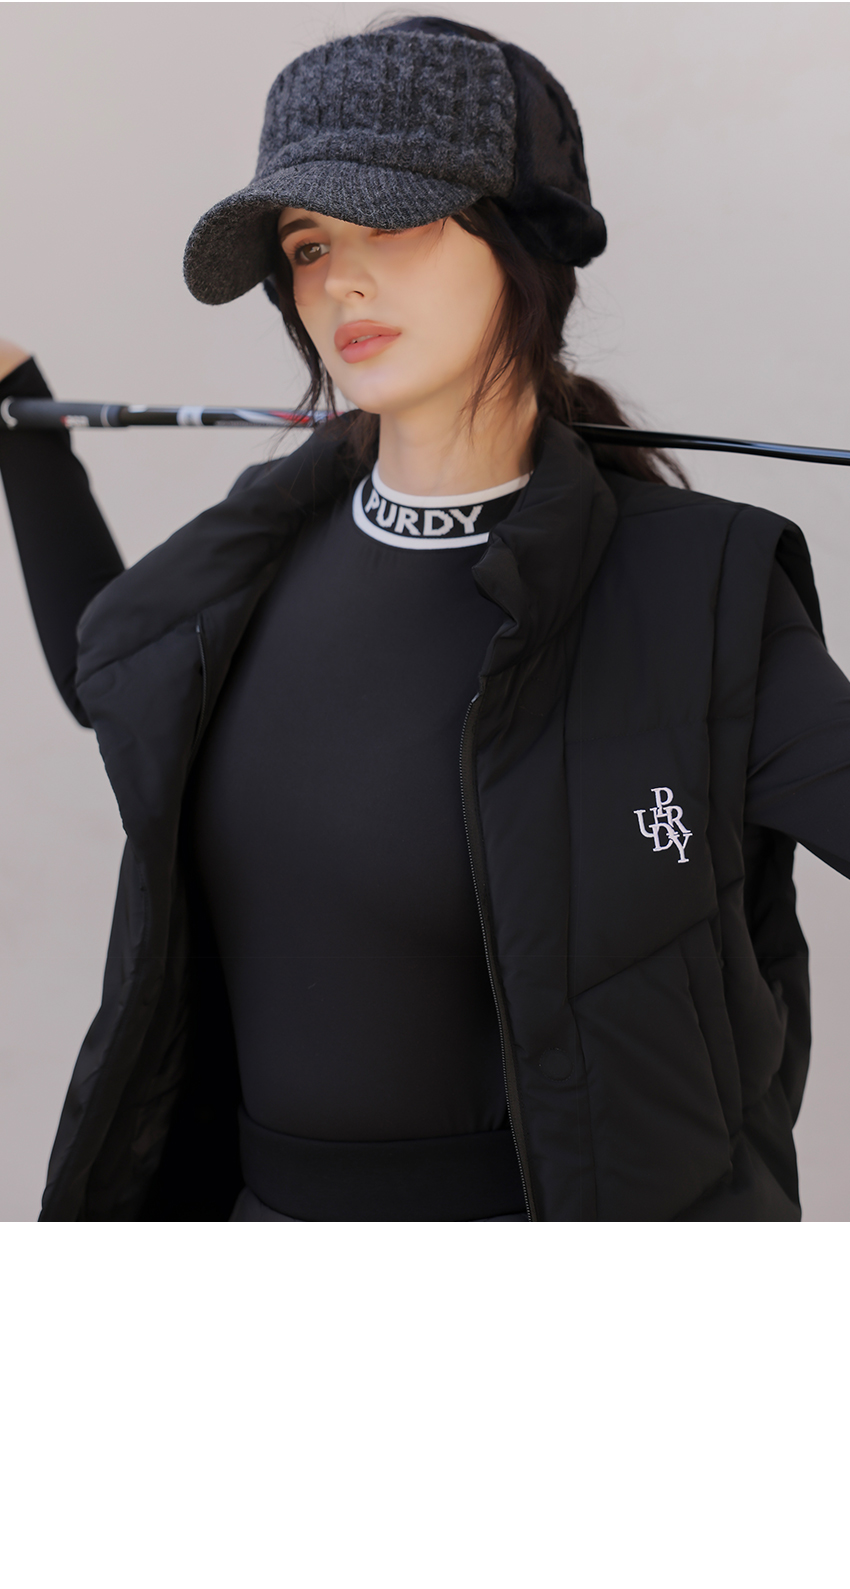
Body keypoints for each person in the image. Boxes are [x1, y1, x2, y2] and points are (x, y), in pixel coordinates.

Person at [1, 16, 848, 1222]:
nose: (338, 279)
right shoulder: (264, 544)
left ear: (520, 240)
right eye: (307, 243)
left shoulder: (696, 585)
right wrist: (15, 406)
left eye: (390, 222)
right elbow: (118, 669)